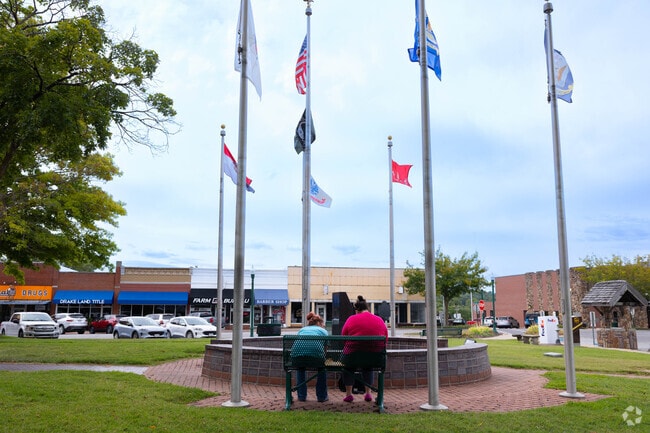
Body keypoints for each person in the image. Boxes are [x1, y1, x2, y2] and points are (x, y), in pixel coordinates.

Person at [341, 295, 388, 403]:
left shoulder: (351, 319)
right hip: (375, 357)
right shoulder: (379, 319)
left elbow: (343, 337)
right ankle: (368, 393)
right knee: (368, 366)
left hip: (352, 356)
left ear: (357, 310)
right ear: (368, 309)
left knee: (348, 368)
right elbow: (385, 339)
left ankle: (349, 394)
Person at [291, 312, 329, 402]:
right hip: (316, 359)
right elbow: (325, 349)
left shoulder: (302, 330)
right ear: (319, 323)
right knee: (322, 369)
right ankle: (322, 396)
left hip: (298, 358)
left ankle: (301, 396)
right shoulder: (323, 331)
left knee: (300, 369)